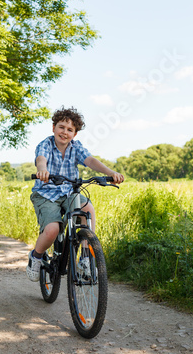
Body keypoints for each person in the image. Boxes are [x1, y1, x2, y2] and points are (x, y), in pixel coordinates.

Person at [26, 107, 124, 282]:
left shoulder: (76, 147)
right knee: (52, 230)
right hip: (46, 194)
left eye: (70, 130)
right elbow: (41, 159)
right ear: (53, 128)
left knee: (87, 210)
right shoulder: (45, 144)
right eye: (61, 127)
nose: (64, 132)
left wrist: (111, 173)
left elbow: (91, 160)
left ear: (75, 134)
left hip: (70, 192)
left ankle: (85, 257)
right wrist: (42, 170)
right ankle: (36, 256)